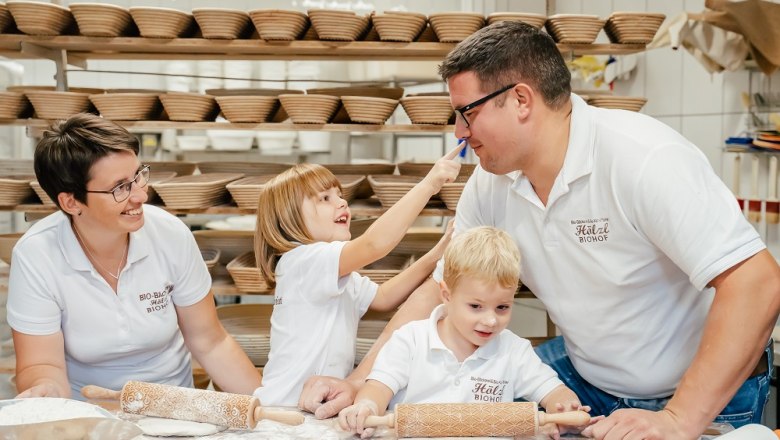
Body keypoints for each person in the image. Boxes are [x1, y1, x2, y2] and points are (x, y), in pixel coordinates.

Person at [303, 20, 780, 439]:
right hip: (586, 381)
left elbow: (756, 282)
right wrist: (362, 385)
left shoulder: (643, 158)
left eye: (466, 111)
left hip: (701, 394)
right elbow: (440, 290)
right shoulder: (492, 185)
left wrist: (679, 420)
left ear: (521, 100)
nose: (459, 132)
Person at [7, 113, 261, 400]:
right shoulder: (37, 256)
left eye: (138, 176)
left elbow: (211, 343)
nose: (140, 196)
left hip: (173, 407)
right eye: (120, 188)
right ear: (71, 201)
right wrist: (48, 392)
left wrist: (266, 408)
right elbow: (42, 364)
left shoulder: (170, 234)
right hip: (90, 411)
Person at [252, 143, 463, 407]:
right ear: (289, 218)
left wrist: (438, 252)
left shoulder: (336, 273)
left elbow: (384, 297)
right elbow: (375, 244)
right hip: (284, 404)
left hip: (316, 400)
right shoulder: (302, 262)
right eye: (324, 198)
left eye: (340, 196)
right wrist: (429, 184)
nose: (341, 202)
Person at [338, 226, 595, 439]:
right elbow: (378, 388)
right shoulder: (410, 340)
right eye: (476, 306)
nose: (491, 320)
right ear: (446, 295)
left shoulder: (513, 351)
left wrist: (563, 406)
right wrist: (367, 405)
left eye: (503, 307)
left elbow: (552, 391)